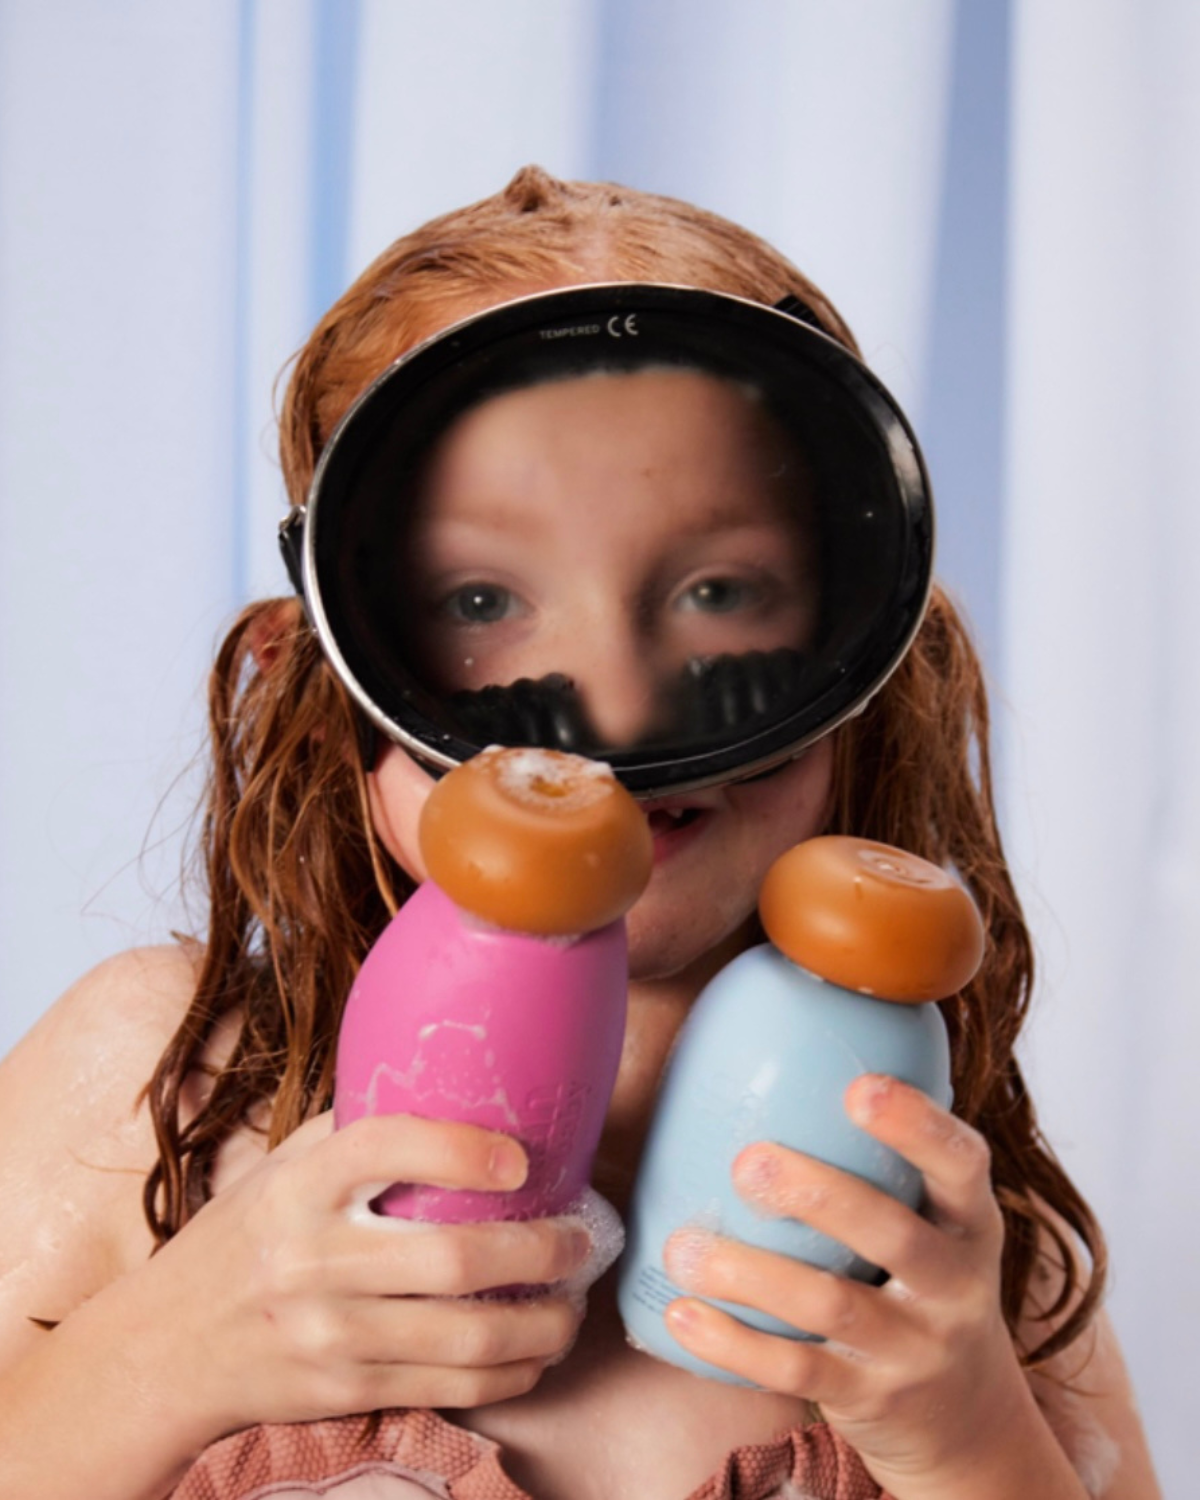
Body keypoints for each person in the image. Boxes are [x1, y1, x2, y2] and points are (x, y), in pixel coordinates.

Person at [0, 167, 1161, 1500]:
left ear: (855, 662)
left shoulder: (944, 1245)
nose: (607, 708)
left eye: (718, 591)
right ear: (332, 678)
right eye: (484, 596)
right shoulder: (162, 1096)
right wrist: (159, 1361)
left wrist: (972, 1445)